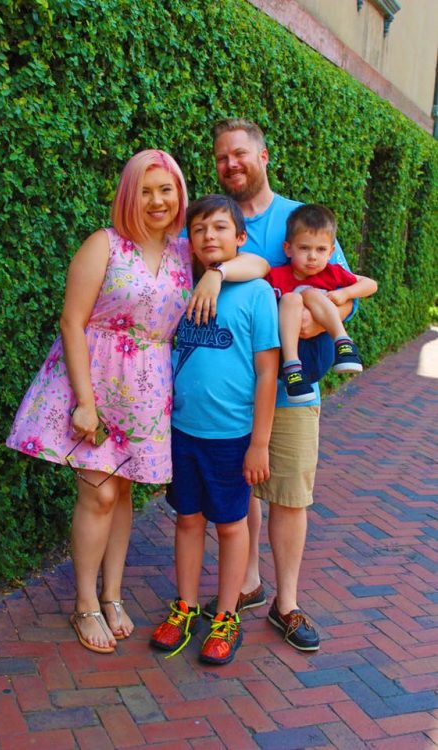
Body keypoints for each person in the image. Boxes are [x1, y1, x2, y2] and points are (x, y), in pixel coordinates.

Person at [6, 149, 268, 655]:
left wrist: (216, 274)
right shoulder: (104, 244)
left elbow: (254, 260)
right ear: (129, 195)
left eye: (166, 190)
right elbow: (71, 323)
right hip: (95, 383)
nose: (157, 200)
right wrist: (84, 402)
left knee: (123, 493)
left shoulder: (183, 251)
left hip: (148, 391)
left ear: (179, 196)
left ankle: (112, 594)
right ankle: (86, 603)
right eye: (145, 190)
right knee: (99, 494)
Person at [199, 118, 359, 651]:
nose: (231, 165)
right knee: (242, 487)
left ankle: (285, 603)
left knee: (288, 493)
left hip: (291, 388)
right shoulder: (211, 220)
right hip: (230, 387)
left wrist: (311, 321)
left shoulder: (299, 219)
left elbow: (345, 293)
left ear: (263, 157)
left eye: (240, 154)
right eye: (222, 158)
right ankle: (245, 584)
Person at [150, 194, 280, 665]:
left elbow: (268, 372)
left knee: (230, 525)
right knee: (187, 519)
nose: (210, 236)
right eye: (200, 229)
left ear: (240, 238)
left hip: (232, 437)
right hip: (184, 431)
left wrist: (259, 444)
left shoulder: (256, 293)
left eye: (221, 228)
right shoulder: (181, 284)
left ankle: (226, 615)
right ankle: (185, 606)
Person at [268, 203, 377, 403]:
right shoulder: (276, 277)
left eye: (321, 249)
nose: (312, 256)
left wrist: (345, 293)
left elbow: (371, 284)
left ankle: (344, 343)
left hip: (322, 348)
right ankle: (293, 370)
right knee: (292, 298)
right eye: (304, 248)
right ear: (288, 249)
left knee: (310, 294)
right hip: (285, 359)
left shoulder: (332, 273)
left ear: (330, 252)